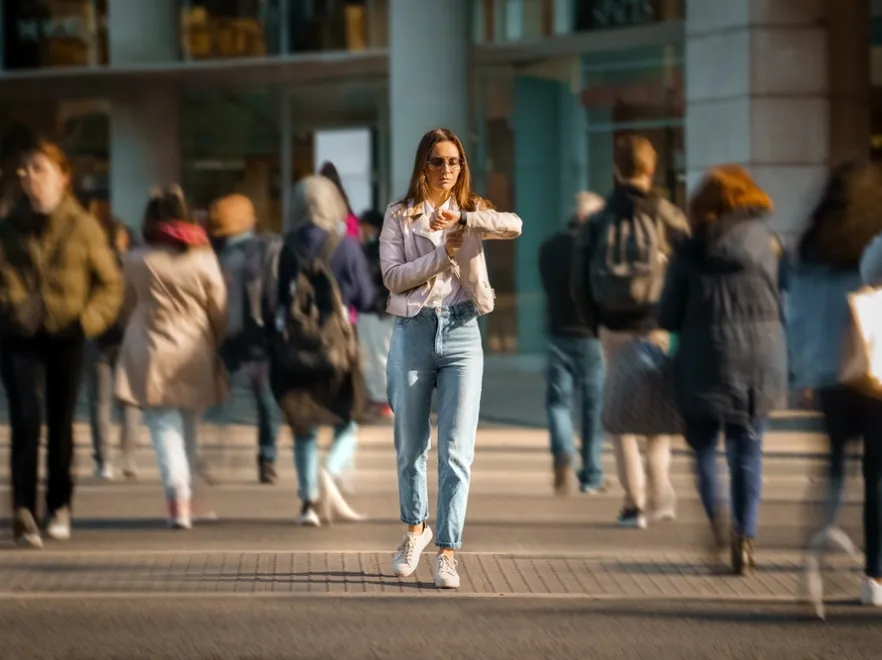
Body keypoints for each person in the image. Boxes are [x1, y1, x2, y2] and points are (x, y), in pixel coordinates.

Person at [380, 127, 522, 589]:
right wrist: (443, 257)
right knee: (410, 447)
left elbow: (515, 224)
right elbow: (393, 277)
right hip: (413, 331)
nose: (447, 169)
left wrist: (465, 223)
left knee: (457, 452)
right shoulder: (400, 215)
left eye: (455, 161)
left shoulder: (473, 210)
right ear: (424, 165)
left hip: (463, 332)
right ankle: (414, 530)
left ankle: (447, 551)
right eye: (439, 161)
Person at [659, 164, 786, 575]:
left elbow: (668, 314)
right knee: (748, 451)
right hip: (759, 359)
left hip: (702, 359)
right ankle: (744, 539)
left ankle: (717, 517)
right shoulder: (769, 243)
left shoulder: (690, 249)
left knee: (703, 450)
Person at [0, 138, 123, 547]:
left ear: (62, 177)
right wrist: (11, 304)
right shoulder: (8, 226)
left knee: (60, 424)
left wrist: (85, 322)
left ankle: (59, 505)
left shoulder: (83, 227)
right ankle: (23, 510)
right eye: (25, 170)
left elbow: (110, 285)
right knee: (25, 420)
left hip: (66, 335)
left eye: (39, 169)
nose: (29, 177)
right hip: (18, 335)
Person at [572, 134, 689, 530]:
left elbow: (579, 279)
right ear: (651, 169)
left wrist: (595, 322)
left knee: (621, 415)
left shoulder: (600, 219)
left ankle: (633, 504)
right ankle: (661, 492)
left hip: (613, 328)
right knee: (657, 412)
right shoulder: (666, 213)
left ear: (617, 171)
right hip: (656, 325)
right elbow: (690, 262)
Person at [789, 158, 882, 606]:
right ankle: (874, 578)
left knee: (833, 471)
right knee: (878, 475)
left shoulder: (809, 247)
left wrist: (805, 371)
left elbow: (798, 316)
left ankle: (814, 557)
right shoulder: (876, 245)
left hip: (829, 376)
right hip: (875, 374)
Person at [115, 186, 228, 530]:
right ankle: (188, 494)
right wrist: (216, 337)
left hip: (151, 346)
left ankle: (177, 495)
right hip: (194, 347)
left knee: (163, 424)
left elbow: (125, 304)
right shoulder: (203, 255)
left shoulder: (138, 258)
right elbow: (218, 305)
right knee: (189, 422)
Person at [270, 175, 375, 527]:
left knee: (304, 428)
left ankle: (308, 504)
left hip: (296, 351)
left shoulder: (286, 247)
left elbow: (277, 299)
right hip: (338, 350)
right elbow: (364, 295)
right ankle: (329, 472)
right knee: (348, 420)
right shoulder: (344, 246)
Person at [208, 194, 282, 485]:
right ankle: (267, 457)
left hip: (229, 340)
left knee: (219, 398)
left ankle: (214, 454)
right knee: (266, 402)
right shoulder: (268, 249)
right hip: (262, 340)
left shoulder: (220, 257)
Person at [539, 191, 606, 495]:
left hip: (557, 332)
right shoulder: (597, 249)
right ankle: (591, 476)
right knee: (593, 408)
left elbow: (546, 284)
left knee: (558, 402)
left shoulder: (549, 247)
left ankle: (563, 449)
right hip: (592, 336)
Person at [87, 217, 143, 480]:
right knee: (130, 400)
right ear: (125, 238)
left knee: (100, 402)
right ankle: (128, 459)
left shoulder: (92, 264)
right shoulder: (134, 264)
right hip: (129, 338)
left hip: (99, 337)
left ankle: (103, 462)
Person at [357, 208, 394, 421]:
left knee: (380, 356)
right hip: (373, 311)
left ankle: (385, 400)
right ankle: (378, 398)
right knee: (372, 356)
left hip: (379, 311)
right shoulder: (372, 249)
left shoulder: (380, 250)